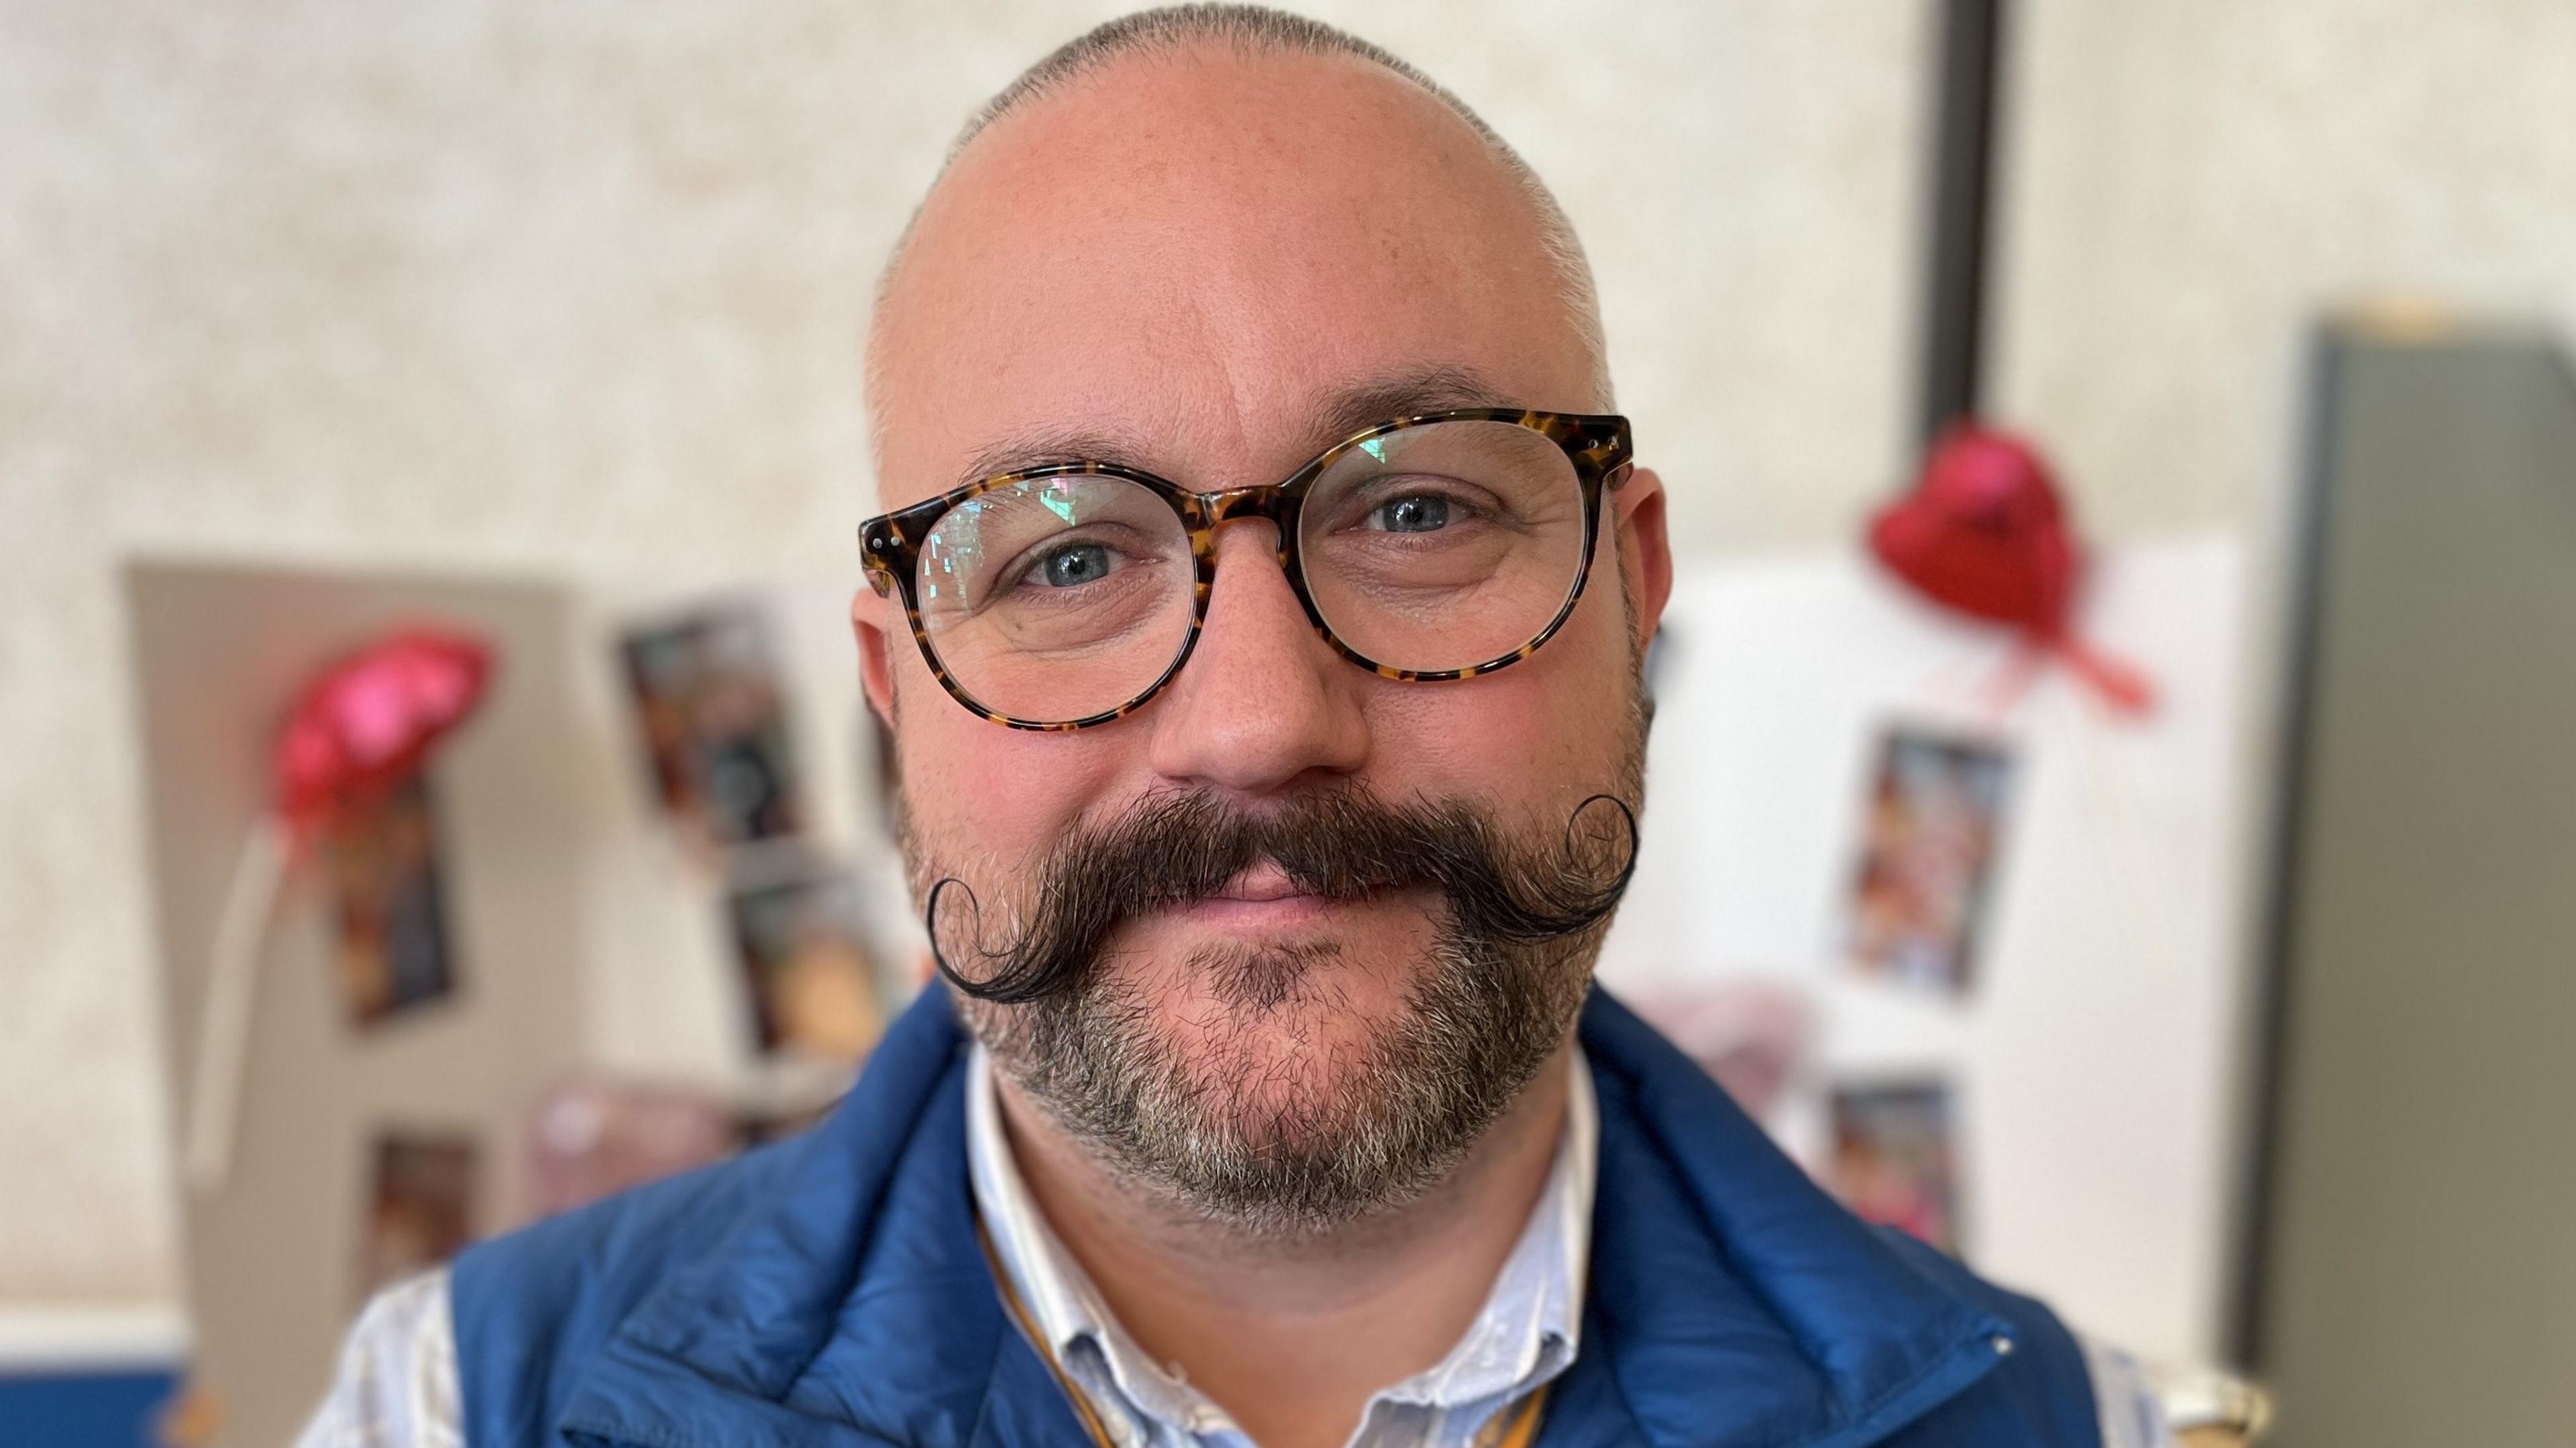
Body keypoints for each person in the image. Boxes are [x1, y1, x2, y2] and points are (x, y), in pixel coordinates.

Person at [299, 7, 2194, 1445]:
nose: (1264, 721)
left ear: (1631, 589)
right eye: (1064, 561)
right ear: (894, 691)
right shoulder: (462, 1410)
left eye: (1420, 513)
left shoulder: (2077, 1427)